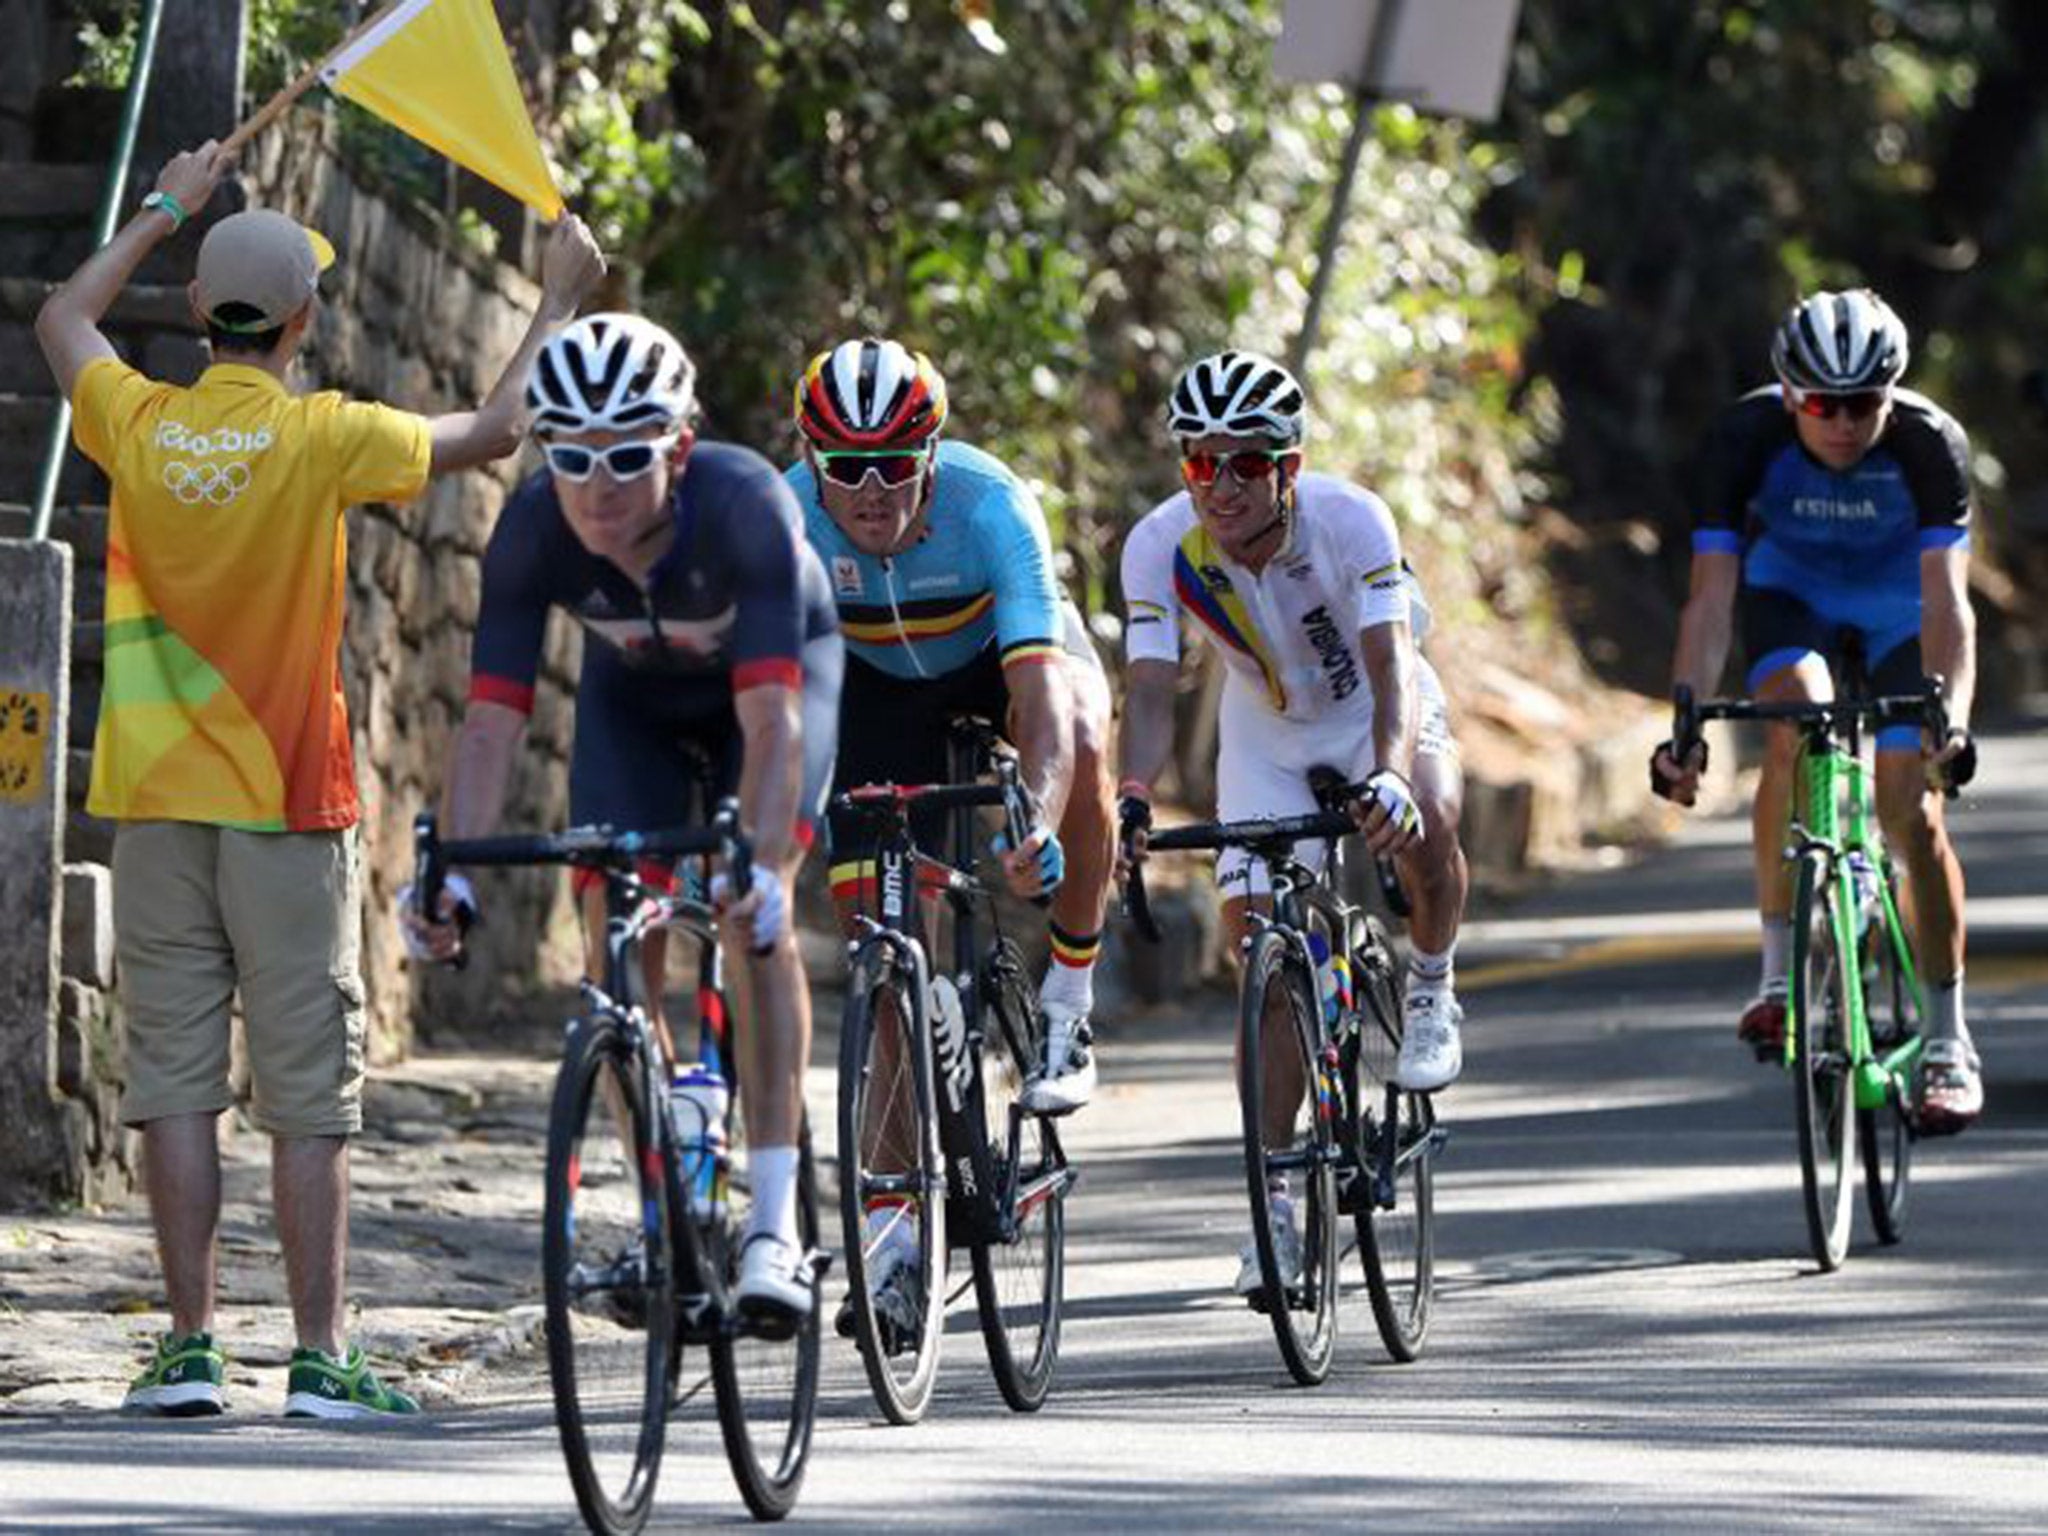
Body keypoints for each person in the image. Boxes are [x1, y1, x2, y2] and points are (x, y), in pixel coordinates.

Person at [32, 139, 605, 1417]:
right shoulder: (323, 436)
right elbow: (502, 429)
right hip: (289, 806)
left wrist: (167, 206)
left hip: (157, 803)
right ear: (302, 322)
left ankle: (185, 1351)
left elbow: (62, 311)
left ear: (196, 313)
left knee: (173, 1081)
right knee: (307, 1094)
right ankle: (319, 1357)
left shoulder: (135, 419)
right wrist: (559, 297)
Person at [402, 313, 842, 1324]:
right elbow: (488, 726)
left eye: (627, 457)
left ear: (678, 448)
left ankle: (773, 1222)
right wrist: (454, 875)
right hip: (632, 706)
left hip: (767, 698)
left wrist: (766, 868)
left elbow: (772, 726)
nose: (597, 486)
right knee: (613, 947)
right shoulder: (530, 528)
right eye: (570, 455)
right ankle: (663, 1214)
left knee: (748, 924)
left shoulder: (744, 507)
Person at [1115, 348, 1471, 1301]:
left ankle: (1431, 982)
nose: (1220, 485)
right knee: (1264, 954)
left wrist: (1390, 774)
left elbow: (1392, 663)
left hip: (1372, 715)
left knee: (1431, 814)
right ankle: (1275, 1206)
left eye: (1244, 463)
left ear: (1288, 468)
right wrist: (1135, 794)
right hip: (1264, 734)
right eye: (1201, 462)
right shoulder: (1159, 547)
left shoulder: (1351, 521)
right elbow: (1150, 687)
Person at [784, 337, 1117, 1343]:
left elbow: (1040, 698)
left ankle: (1066, 992)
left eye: (896, 461)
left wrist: (1043, 817)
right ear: (812, 462)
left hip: (989, 660)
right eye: (846, 467)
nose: (873, 488)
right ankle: (892, 1245)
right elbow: (767, 693)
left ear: (932, 452)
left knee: (1091, 739)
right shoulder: (783, 513)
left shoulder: (989, 505)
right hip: (876, 690)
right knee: (882, 946)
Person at [1652, 288, 1982, 1134]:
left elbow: (1949, 606)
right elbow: (1711, 599)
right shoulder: (1743, 440)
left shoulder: (1928, 444)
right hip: (1789, 596)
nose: (1842, 422)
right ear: (1791, 396)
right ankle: (1777, 977)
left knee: (1911, 804)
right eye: (1823, 405)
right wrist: (1685, 724)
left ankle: (1948, 1040)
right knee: (1792, 722)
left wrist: (1953, 722)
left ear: (1892, 395)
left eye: (1863, 404)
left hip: (1900, 610)